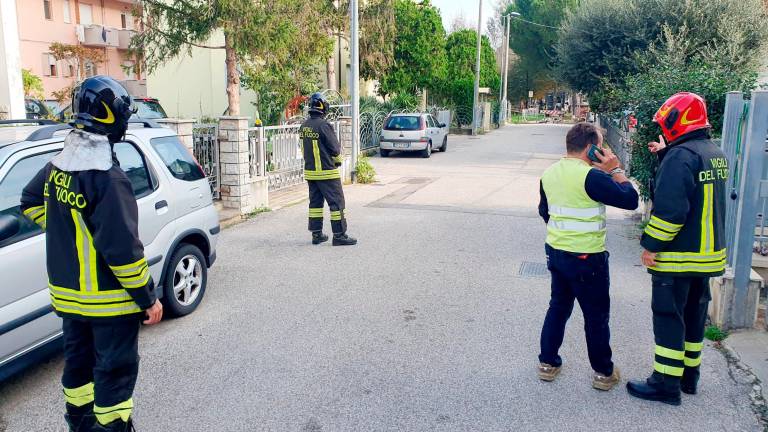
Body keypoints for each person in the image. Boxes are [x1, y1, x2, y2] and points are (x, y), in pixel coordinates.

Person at [21, 75, 163, 431]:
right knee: (113, 382)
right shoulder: (109, 180)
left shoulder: (57, 169)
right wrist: (148, 299)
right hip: (109, 306)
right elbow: (124, 253)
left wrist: (64, 229)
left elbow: (29, 201)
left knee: (79, 375)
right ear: (112, 119)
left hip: (70, 303)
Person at [627, 92, 727, 406]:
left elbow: (671, 211)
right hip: (706, 258)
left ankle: (665, 384)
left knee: (669, 316)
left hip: (677, 257)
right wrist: (665, 156)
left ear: (678, 120)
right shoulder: (713, 152)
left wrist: (650, 246)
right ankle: (688, 379)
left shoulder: (680, 157)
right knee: (694, 318)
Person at [537, 122, 639, 391]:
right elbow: (630, 199)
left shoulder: (549, 173)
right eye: (601, 144)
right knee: (595, 317)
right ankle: (604, 373)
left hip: (556, 253)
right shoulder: (592, 178)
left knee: (558, 308)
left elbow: (545, 211)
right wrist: (616, 170)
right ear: (591, 148)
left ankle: (547, 363)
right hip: (587, 258)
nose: (604, 148)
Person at [300, 92, 357, 246]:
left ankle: (316, 234)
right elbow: (335, 150)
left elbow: (303, 149)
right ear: (323, 107)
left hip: (311, 173)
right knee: (337, 203)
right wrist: (338, 162)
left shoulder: (304, 126)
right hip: (327, 173)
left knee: (315, 204)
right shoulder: (324, 125)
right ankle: (339, 235)